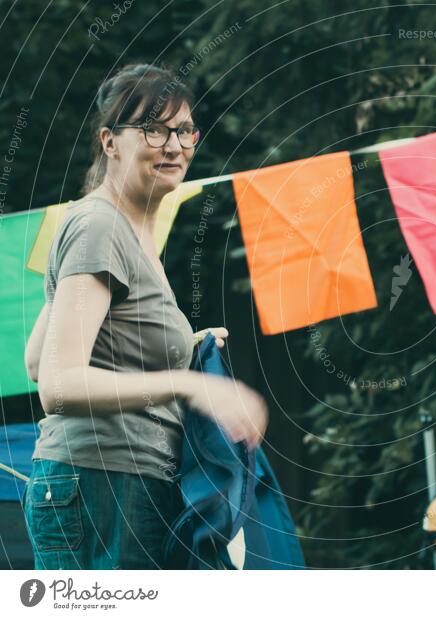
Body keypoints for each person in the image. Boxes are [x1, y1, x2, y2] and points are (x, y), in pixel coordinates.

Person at [21, 64, 268, 569]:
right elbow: (56, 384)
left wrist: (184, 344)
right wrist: (186, 383)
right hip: (101, 487)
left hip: (115, 487)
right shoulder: (100, 226)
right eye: (154, 129)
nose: (173, 144)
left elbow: (33, 358)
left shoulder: (128, 230)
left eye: (184, 130)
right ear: (110, 142)